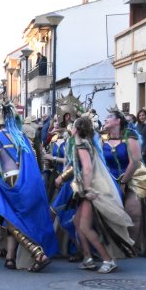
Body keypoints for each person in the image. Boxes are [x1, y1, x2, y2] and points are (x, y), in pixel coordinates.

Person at [0, 102, 58, 272]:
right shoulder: (21, 135)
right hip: (28, 180)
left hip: (10, 181)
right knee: (12, 217)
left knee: (11, 218)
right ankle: (10, 257)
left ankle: (37, 254)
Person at [57, 117, 135, 272]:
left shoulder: (81, 144)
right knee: (77, 222)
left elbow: (86, 168)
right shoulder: (86, 143)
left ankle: (108, 259)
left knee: (84, 226)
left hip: (90, 190)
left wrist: (86, 190)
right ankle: (88, 258)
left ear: (76, 129)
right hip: (86, 188)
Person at [102, 110, 146, 256]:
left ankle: (131, 245)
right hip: (110, 177)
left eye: (109, 117)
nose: (105, 119)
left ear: (118, 121)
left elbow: (135, 161)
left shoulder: (129, 135)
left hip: (133, 176)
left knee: (133, 211)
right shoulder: (102, 137)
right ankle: (113, 243)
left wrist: (123, 182)